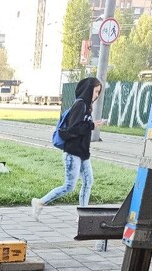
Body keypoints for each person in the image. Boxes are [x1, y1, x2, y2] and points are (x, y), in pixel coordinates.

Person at [31, 77, 106, 220]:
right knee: (69, 187)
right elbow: (74, 127)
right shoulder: (80, 105)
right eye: (96, 92)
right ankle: (40, 202)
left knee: (88, 182)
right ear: (88, 90)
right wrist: (92, 125)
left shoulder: (86, 106)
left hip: (82, 153)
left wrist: (92, 124)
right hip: (73, 153)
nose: (97, 96)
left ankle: (83, 215)